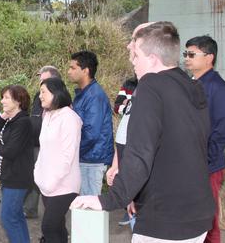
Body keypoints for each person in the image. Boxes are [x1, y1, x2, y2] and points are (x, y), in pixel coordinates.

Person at [72, 21, 215, 243]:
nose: (132, 60)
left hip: (165, 217)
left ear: (152, 59)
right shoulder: (192, 86)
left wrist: (111, 199)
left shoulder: (150, 86)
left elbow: (141, 152)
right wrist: (133, 192)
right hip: (198, 212)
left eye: (136, 54)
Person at [184, 35, 225, 243]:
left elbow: (223, 134)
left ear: (209, 57)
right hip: (187, 164)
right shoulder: (189, 85)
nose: (186, 58)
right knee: (189, 219)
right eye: (185, 54)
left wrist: (202, 162)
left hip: (207, 166)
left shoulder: (220, 88)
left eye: (191, 54)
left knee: (208, 221)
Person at [34, 77, 81, 243]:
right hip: (47, 183)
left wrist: (51, 182)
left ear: (56, 93)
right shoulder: (47, 115)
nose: (40, 96)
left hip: (64, 185)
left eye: (43, 92)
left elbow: (68, 156)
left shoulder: (70, 118)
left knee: (49, 227)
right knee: (58, 228)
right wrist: (39, 175)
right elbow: (44, 149)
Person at [0, 85, 34, 243]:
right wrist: (2, 117)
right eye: (3, 97)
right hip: (8, 176)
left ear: (18, 101)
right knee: (16, 216)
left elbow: (10, 151)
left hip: (17, 177)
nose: (2, 100)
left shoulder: (23, 122)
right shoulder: (10, 120)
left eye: (6, 97)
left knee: (8, 218)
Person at [66, 50, 114, 196]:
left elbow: (91, 134)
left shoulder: (94, 96)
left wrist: (72, 152)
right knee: (83, 207)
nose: (69, 72)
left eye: (73, 68)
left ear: (85, 70)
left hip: (91, 160)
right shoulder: (84, 94)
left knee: (89, 207)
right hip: (86, 157)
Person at [24, 65, 62, 219]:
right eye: (40, 81)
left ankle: (53, 215)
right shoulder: (38, 96)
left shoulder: (60, 98)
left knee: (48, 180)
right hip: (33, 143)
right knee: (33, 177)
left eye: (44, 80)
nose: (41, 84)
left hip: (48, 147)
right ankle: (30, 209)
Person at [106, 76, 138, 227]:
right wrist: (115, 164)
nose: (133, 61)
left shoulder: (151, 91)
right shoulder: (130, 85)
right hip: (123, 151)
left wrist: (127, 103)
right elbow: (117, 106)